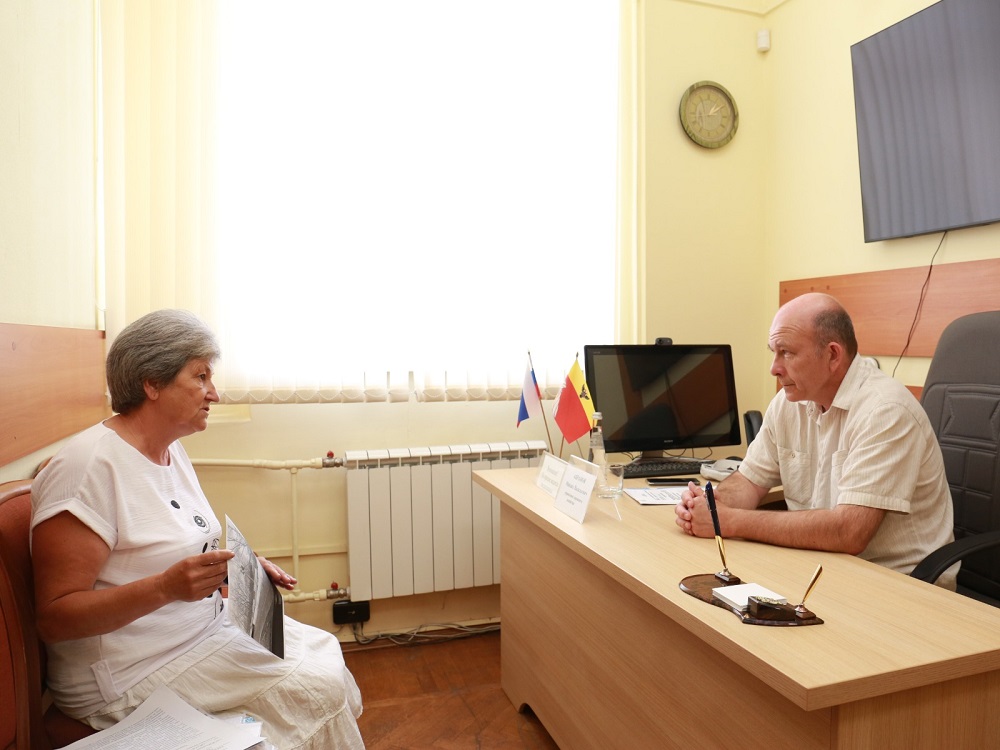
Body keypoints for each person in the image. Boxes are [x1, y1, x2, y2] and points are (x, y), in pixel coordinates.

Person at [31, 309, 364, 748]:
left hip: (196, 633)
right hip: (129, 672)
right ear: (152, 383)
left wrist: (236, 569)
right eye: (201, 376)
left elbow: (168, 552)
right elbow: (54, 618)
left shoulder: (169, 451)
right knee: (313, 689)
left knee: (323, 652)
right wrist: (165, 588)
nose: (215, 393)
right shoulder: (88, 468)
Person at [674, 292, 957, 590]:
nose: (774, 368)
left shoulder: (886, 410)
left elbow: (849, 532)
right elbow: (749, 480)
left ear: (833, 355)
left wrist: (729, 521)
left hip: (899, 584)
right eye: (773, 352)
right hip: (822, 567)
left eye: (786, 352)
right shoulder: (789, 401)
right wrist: (709, 506)